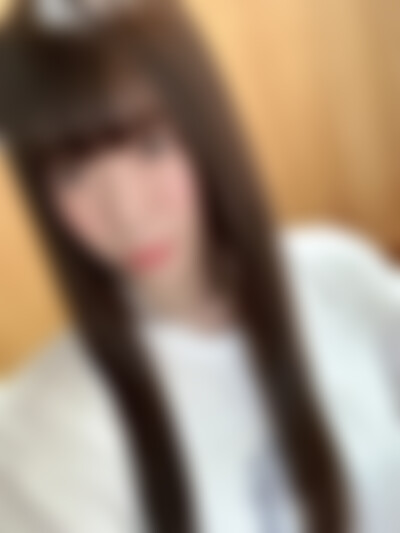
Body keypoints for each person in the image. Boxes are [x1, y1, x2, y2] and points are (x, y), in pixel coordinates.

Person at [0, 4, 399, 533]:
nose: (127, 212)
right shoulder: (52, 432)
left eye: (150, 146)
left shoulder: (343, 278)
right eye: (71, 173)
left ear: (204, 128)